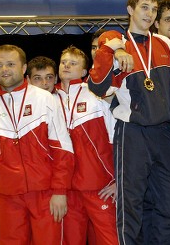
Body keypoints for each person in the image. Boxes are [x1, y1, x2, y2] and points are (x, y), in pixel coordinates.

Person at [87, 0, 170, 244]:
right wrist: (113, 52)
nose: (149, 14)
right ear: (130, 10)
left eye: (153, 9)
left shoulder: (164, 44)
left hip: (164, 133)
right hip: (132, 133)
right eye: (144, 7)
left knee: (167, 205)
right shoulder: (118, 45)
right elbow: (97, 86)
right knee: (130, 205)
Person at [0, 44, 75, 244]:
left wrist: (60, 191)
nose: (4, 69)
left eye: (10, 64)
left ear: (24, 68)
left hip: (45, 195)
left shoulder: (45, 100)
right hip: (8, 199)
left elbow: (63, 149)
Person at [55, 45, 118, 245]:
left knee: (110, 240)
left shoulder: (95, 94)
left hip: (100, 185)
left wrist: (119, 181)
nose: (66, 66)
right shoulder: (48, 99)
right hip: (67, 190)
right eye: (63, 62)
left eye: (73, 63)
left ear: (84, 71)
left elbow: (117, 138)